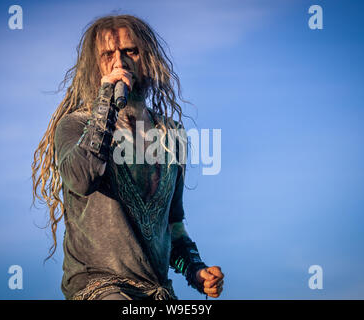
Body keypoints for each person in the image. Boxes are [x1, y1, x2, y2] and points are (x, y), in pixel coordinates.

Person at [31, 14, 224, 300]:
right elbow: (81, 179)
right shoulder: (74, 126)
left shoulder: (172, 135)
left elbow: (172, 226)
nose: (119, 63)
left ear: (148, 59)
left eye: (130, 51)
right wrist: (107, 101)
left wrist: (196, 271)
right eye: (108, 54)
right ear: (94, 66)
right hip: (99, 289)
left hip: (158, 292)